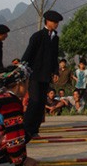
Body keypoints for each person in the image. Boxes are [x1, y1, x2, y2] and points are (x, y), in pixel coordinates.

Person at [21, 10, 63, 140]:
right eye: (54, 22)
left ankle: (34, 129)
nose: (56, 24)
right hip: (34, 74)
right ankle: (26, 129)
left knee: (40, 104)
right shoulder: (37, 36)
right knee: (34, 101)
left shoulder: (55, 38)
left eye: (57, 23)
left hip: (46, 75)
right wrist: (23, 69)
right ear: (48, 21)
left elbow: (54, 56)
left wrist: (55, 72)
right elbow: (28, 53)